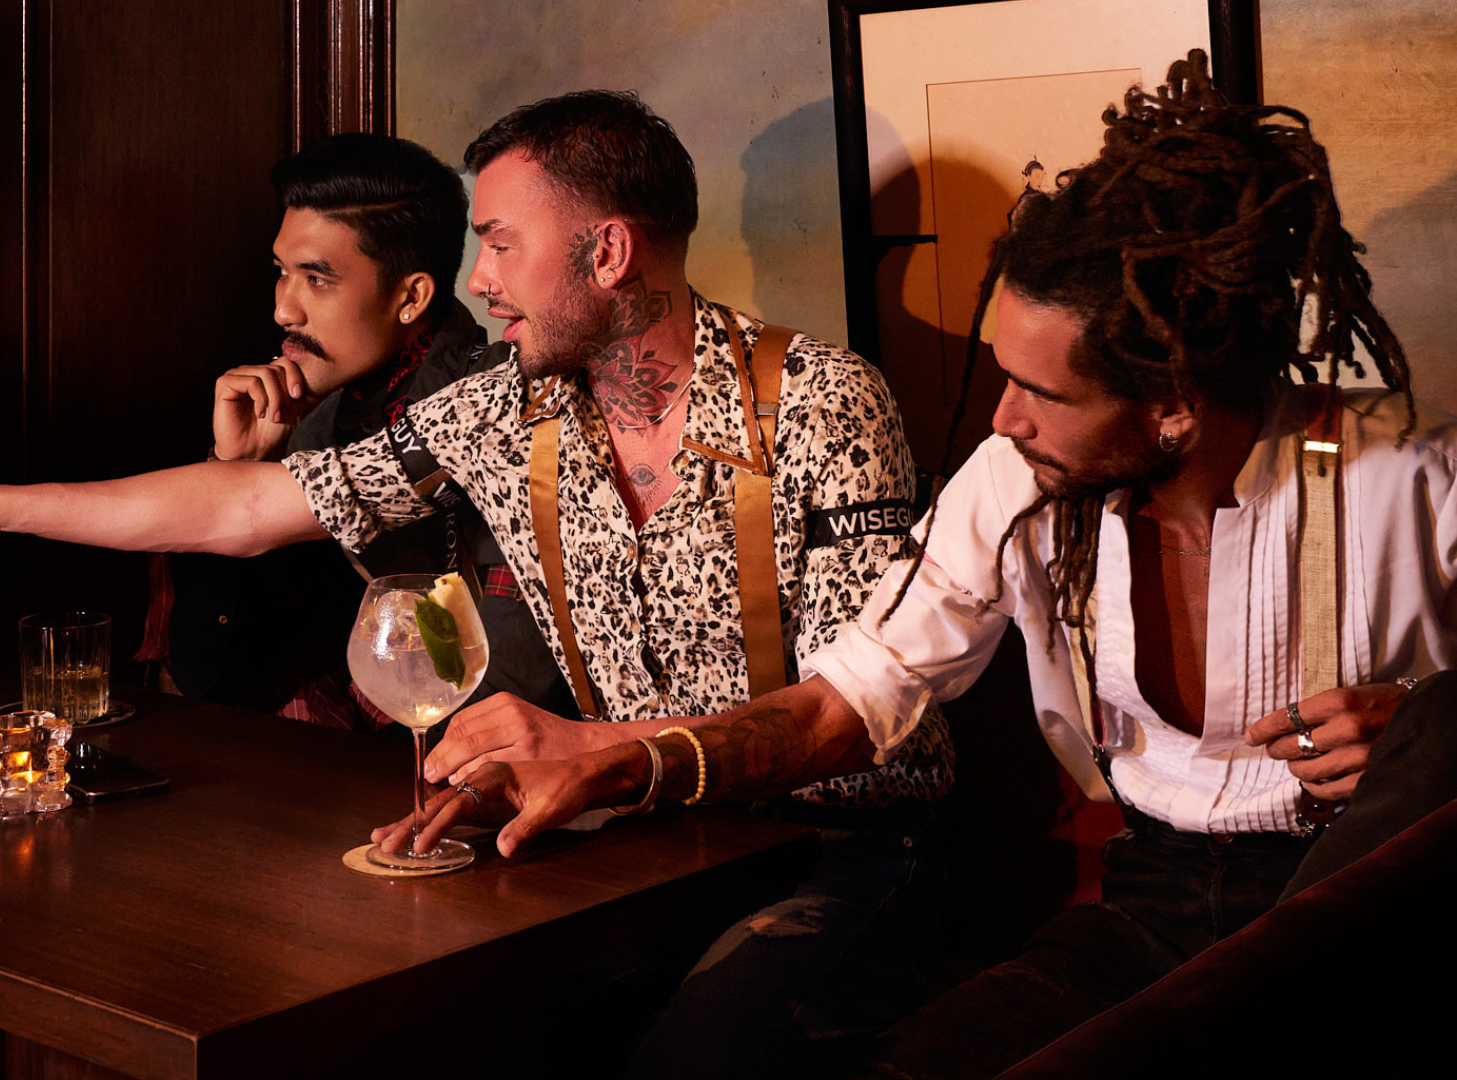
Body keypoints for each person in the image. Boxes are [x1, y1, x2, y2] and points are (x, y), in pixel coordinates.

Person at [0, 90, 954, 1075]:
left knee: (694, 1057)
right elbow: (246, 508)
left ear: (607, 253)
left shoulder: (816, 401)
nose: (475, 282)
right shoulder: (509, 409)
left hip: (836, 849)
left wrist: (610, 758)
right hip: (643, 846)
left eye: (503, 246)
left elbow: (857, 727)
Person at [384, 54, 1457, 1078]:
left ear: (1172, 407)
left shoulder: (1409, 473)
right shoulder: (1013, 480)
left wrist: (1422, 732)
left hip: (1361, 913)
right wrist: (620, 761)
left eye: (1045, 396)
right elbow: (846, 701)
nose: (1004, 419)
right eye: (1004, 375)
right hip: (1151, 905)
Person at [146, 132, 572, 729]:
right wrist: (235, 468)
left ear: (411, 297)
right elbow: (215, 679)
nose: (284, 311)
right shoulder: (311, 424)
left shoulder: (507, 412)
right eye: (282, 273)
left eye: (317, 279)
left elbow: (510, 699)